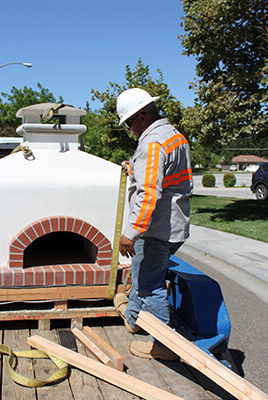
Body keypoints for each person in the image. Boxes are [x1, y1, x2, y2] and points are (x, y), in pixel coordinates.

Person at [114, 88, 193, 361]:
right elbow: (161, 175)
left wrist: (131, 232)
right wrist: (133, 167)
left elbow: (149, 192)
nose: (129, 129)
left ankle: (163, 343)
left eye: (128, 124)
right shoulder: (173, 136)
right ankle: (135, 319)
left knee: (150, 284)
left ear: (142, 117)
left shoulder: (152, 143)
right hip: (173, 224)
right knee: (142, 269)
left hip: (156, 227)